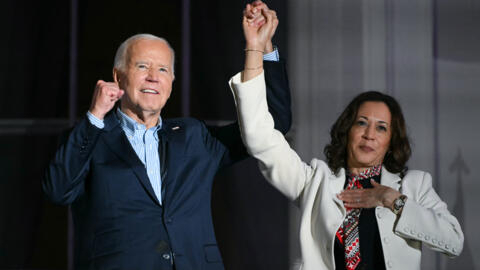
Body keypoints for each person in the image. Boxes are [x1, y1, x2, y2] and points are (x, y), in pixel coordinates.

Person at [42, 3, 291, 269]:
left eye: (162, 70)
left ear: (172, 81)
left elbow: (272, 125)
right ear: (118, 76)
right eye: (142, 66)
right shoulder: (90, 138)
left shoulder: (194, 137)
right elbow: (58, 191)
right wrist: (94, 117)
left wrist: (263, 48)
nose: (153, 77)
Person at [229, 6, 464, 270]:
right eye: (361, 123)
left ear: (391, 142)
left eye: (382, 128)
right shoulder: (315, 182)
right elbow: (259, 137)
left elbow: (454, 242)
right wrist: (256, 48)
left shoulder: (414, 185)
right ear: (347, 130)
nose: (369, 134)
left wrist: (391, 199)